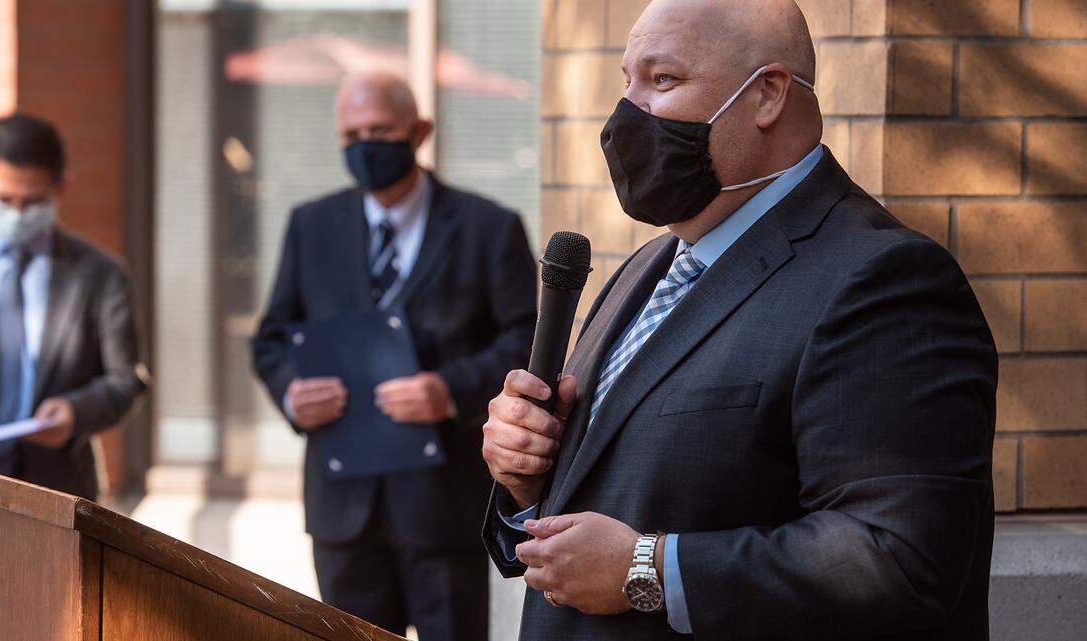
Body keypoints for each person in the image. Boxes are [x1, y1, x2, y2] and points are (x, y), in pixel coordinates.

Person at [480, 1, 998, 640]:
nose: (625, 116)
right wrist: (529, 482)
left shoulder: (885, 282)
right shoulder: (646, 268)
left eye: (663, 81)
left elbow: (898, 561)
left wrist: (648, 569)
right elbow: (609, 505)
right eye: (627, 82)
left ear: (767, 96)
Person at [252, 72, 538, 641]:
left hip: (443, 502)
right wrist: (290, 392)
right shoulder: (312, 225)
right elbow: (272, 336)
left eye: (379, 129)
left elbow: (525, 344)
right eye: (350, 133)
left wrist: (451, 390)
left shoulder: (489, 227)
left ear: (419, 130)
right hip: (342, 506)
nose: (365, 144)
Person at [0, 113, 148, 500]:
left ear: (62, 188)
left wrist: (76, 412)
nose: (18, 214)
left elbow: (128, 379)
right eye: (4, 200)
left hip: (59, 491)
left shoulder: (101, 274)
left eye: (33, 201)